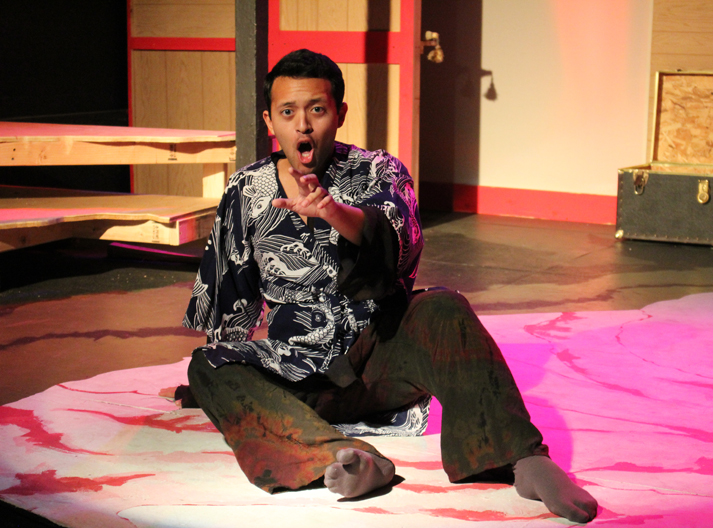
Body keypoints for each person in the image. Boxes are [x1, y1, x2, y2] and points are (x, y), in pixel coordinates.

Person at [182, 48, 598, 523]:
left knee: (443, 306)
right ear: (269, 120)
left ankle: (521, 456)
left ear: (340, 113)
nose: (303, 125)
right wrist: (219, 379)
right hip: (301, 375)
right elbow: (229, 298)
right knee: (207, 362)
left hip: (379, 359)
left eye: (316, 109)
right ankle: (341, 459)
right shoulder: (246, 189)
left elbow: (396, 237)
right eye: (288, 112)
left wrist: (333, 212)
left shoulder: (380, 170)